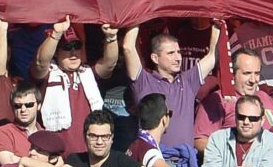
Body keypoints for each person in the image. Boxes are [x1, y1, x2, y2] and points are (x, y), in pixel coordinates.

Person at [122, 22, 222, 152]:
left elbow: (212, 57)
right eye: (170, 53)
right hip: (155, 163)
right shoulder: (143, 81)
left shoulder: (188, 81)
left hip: (186, 165)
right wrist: (134, 18)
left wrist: (216, 23)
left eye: (178, 52)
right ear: (155, 58)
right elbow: (128, 48)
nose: (178, 58)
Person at [30, 22, 116, 159]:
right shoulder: (48, 74)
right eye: (67, 47)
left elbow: (109, 64)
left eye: (77, 47)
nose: (73, 53)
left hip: (89, 157)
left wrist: (111, 38)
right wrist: (55, 35)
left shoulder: (88, 72)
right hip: (54, 158)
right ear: (56, 52)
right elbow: (40, 62)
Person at [200, 96, 273, 167]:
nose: (246, 122)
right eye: (241, 117)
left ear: (262, 120)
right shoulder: (218, 138)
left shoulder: (271, 141)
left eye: (253, 118)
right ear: (235, 117)